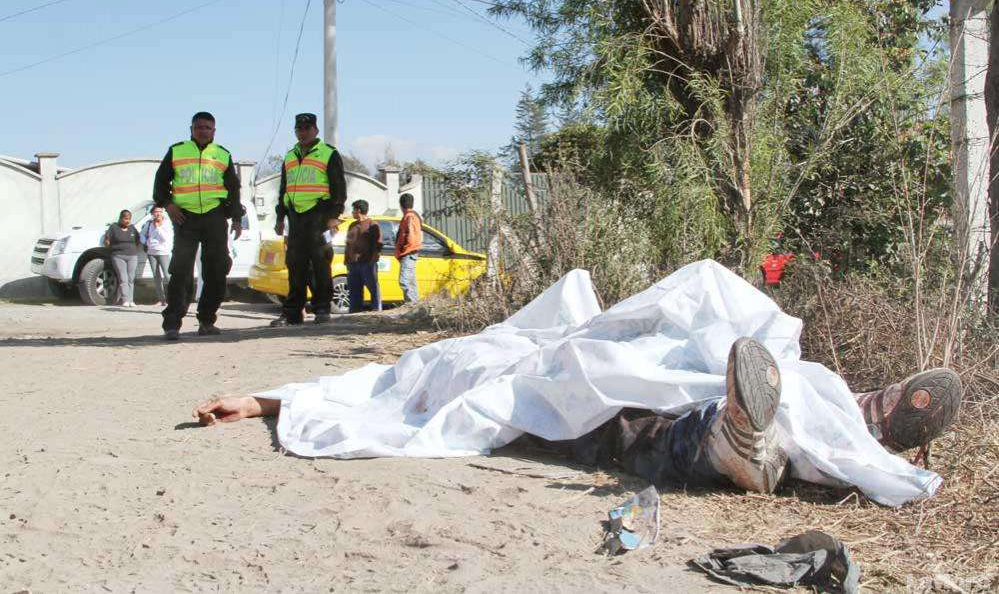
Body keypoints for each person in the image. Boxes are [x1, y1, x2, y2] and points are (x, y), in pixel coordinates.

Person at [192, 337, 963, 497]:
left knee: (650, 369)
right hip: (529, 393)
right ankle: (732, 442)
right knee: (607, 421)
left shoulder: (489, 339)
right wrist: (269, 398)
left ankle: (845, 416)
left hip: (556, 355)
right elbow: (373, 389)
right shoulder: (432, 363)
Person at [153, 111, 243, 341]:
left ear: (214, 131)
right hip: (185, 219)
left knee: (217, 269)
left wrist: (236, 218)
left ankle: (206, 320)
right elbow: (160, 183)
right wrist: (168, 205)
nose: (203, 131)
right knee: (180, 272)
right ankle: (172, 324)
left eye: (207, 128)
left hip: (214, 217)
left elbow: (233, 189)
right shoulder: (177, 150)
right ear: (191, 129)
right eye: (199, 127)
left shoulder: (223, 154)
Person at [270, 113, 347, 327]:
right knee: (295, 265)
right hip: (295, 217)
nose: (302, 133)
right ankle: (293, 312)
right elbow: (283, 189)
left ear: (315, 130)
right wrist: (280, 217)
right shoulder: (290, 156)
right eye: (299, 129)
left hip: (319, 215)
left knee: (321, 264)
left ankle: (322, 308)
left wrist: (334, 216)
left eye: (307, 129)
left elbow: (339, 188)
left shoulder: (328, 154)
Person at [344, 199, 382, 313]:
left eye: (353, 210)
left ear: (359, 210)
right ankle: (355, 311)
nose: (352, 212)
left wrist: (373, 260)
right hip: (353, 264)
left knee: (373, 287)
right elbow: (348, 243)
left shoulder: (372, 224)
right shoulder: (352, 225)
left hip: (367, 262)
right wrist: (346, 260)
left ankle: (376, 309)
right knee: (354, 289)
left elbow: (378, 244)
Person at [103, 209, 141, 307]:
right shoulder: (113, 227)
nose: (127, 221)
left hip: (132, 256)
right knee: (123, 278)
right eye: (125, 219)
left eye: (129, 219)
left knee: (131, 278)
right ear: (121, 218)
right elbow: (107, 240)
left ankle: (131, 300)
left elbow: (138, 240)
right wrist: (108, 244)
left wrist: (132, 249)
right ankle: (125, 299)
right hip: (118, 256)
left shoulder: (132, 228)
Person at [140, 206, 173, 306]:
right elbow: (142, 234)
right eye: (155, 212)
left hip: (163, 251)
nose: (158, 213)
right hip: (151, 252)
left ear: (163, 213)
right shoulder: (149, 223)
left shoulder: (167, 223)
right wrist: (146, 242)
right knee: (156, 276)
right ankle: (162, 299)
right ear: (152, 214)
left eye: (159, 211)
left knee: (167, 275)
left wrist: (158, 227)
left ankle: (173, 298)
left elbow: (165, 238)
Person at [394, 193, 422, 303]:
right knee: (410, 281)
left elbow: (410, 237)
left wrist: (403, 251)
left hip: (409, 253)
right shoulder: (411, 216)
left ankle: (411, 305)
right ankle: (415, 306)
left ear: (401, 205)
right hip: (410, 253)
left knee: (404, 281)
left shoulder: (409, 217)